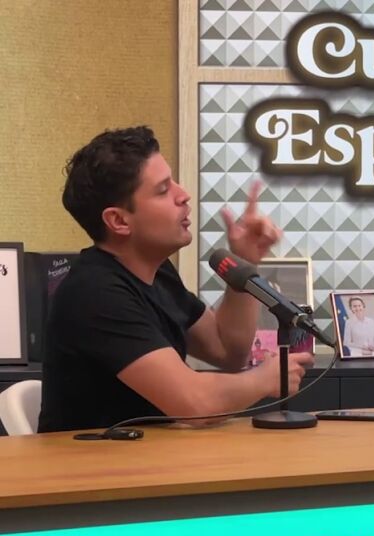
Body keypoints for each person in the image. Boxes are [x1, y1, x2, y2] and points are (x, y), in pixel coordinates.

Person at [39, 126, 313, 432]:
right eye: (163, 190)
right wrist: (264, 379)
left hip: (151, 454)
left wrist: (244, 261)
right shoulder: (95, 292)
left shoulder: (158, 272)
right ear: (118, 220)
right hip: (91, 461)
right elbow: (194, 404)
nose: (183, 195)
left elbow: (227, 350)